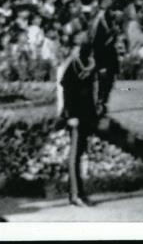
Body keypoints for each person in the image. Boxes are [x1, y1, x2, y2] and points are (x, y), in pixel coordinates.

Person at [59, 33, 98, 208]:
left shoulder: (89, 64)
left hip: (86, 114)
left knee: (80, 153)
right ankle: (76, 194)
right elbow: (67, 90)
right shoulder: (74, 65)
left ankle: (79, 192)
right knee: (75, 156)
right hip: (76, 115)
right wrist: (70, 114)